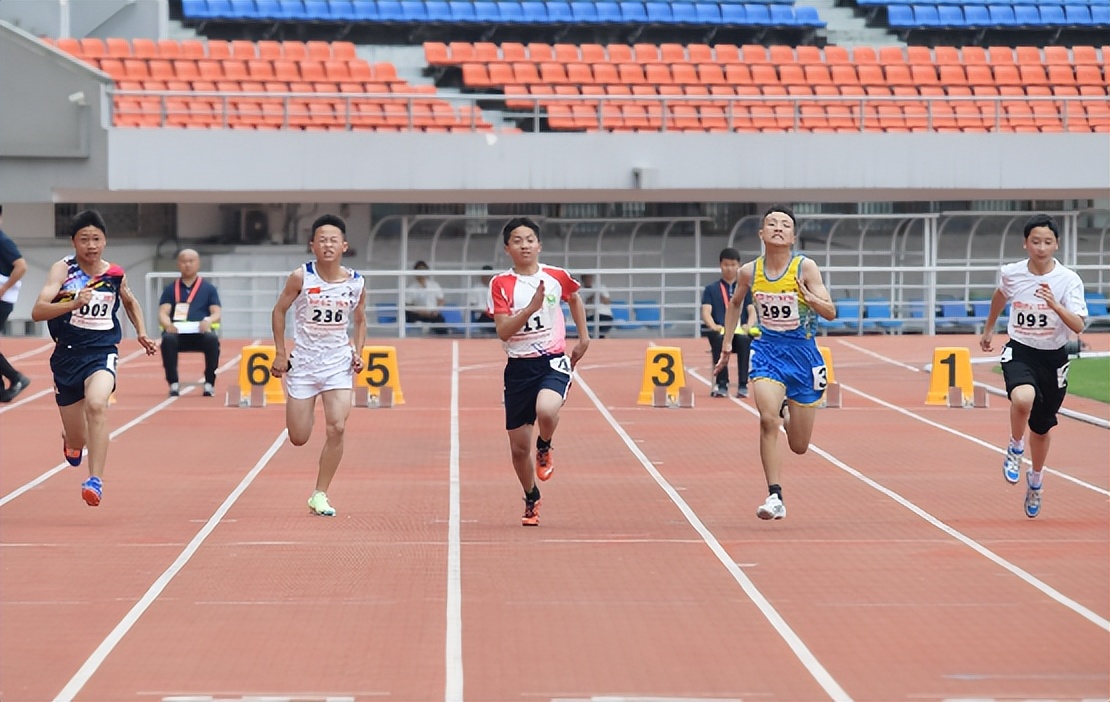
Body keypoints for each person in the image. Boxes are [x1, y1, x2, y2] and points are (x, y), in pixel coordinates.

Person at [714, 205, 837, 521]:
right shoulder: (749, 272)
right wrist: (728, 343)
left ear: (793, 236)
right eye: (771, 223)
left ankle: (786, 409)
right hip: (768, 352)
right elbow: (735, 304)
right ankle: (775, 495)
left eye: (785, 224)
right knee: (767, 420)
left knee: (799, 445)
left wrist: (811, 299)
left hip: (804, 356)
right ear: (761, 234)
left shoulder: (805, 268)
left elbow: (831, 312)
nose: (778, 228)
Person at [30, 210, 158, 506]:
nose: (91, 245)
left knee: (97, 405)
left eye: (96, 239)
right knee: (78, 438)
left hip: (102, 352)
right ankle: (70, 439)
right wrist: (73, 303)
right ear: (73, 242)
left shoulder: (114, 273)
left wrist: (141, 331)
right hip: (67, 356)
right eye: (84, 239)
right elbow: (38, 311)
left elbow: (129, 300)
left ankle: (94, 480)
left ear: (105, 241)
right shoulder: (62, 271)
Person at [979, 213, 1088, 519]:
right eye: (1035, 241)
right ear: (1025, 244)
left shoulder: (1068, 280)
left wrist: (1055, 305)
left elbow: (1078, 325)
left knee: (1041, 429)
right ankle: (1014, 448)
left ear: (1057, 245)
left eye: (1047, 242)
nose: (1041, 248)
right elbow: (1000, 296)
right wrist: (989, 328)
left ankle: (1036, 481)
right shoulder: (1012, 273)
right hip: (1021, 349)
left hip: (1053, 357)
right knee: (1022, 398)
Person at [490, 217, 590, 526]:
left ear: (539, 245)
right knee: (519, 450)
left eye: (530, 240)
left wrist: (583, 338)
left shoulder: (556, 276)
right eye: (517, 241)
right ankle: (531, 496)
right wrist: (530, 308)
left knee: (547, 409)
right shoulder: (501, 284)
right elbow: (504, 331)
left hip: (552, 360)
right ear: (508, 248)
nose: (525, 245)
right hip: (518, 367)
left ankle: (545, 445)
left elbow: (574, 297)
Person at [270, 214, 366, 517]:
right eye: (322, 240)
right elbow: (279, 311)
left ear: (344, 246)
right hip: (304, 364)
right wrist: (280, 352)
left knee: (337, 426)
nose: (328, 245)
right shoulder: (301, 277)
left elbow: (361, 320)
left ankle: (320, 493)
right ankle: (305, 408)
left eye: (333, 240)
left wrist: (359, 351)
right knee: (299, 437)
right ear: (312, 245)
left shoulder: (356, 282)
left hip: (338, 362)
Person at [158, 248, 222, 397]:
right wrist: (168, 325)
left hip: (200, 333)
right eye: (184, 261)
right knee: (167, 340)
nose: (187, 265)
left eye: (191, 261)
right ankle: (173, 382)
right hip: (178, 334)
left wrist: (208, 321)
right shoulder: (170, 289)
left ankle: (209, 383)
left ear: (198, 264)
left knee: (212, 340)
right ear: (178, 264)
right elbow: (163, 312)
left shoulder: (209, 289)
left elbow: (217, 313)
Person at [702, 247, 757, 398]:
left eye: (733, 265)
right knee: (718, 340)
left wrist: (749, 325)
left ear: (739, 266)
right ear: (721, 265)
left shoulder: (745, 289)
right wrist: (714, 326)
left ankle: (742, 384)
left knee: (745, 340)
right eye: (726, 265)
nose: (729, 268)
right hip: (721, 331)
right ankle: (722, 383)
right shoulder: (711, 289)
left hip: (740, 332)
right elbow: (706, 311)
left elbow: (752, 310)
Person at [0, 205, 32, 402]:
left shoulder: (3, 241)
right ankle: (2, 390)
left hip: (2, 300)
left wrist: (4, 289)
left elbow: (21, 266)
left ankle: (16, 377)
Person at [405, 260, 447, 334]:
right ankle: (424, 326)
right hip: (419, 314)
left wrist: (436, 310)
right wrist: (421, 312)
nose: (421, 272)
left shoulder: (434, 285)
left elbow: (441, 300)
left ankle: (430, 328)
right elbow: (408, 305)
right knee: (409, 315)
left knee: (441, 324)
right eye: (419, 270)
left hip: (432, 314)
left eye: (423, 269)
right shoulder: (411, 288)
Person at [579, 273, 614, 339]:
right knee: (591, 327)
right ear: (583, 280)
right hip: (591, 316)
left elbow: (608, 302)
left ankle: (602, 337)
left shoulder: (601, 287)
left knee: (604, 325)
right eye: (586, 279)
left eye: (590, 278)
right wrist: (590, 298)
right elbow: (582, 309)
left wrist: (598, 295)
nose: (588, 280)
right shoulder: (581, 291)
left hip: (605, 315)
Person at [467, 265, 496, 333]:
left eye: (489, 276)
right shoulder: (476, 288)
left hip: (494, 313)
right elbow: (472, 305)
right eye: (486, 275)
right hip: (482, 314)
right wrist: (485, 310)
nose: (488, 277)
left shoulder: (495, 288)